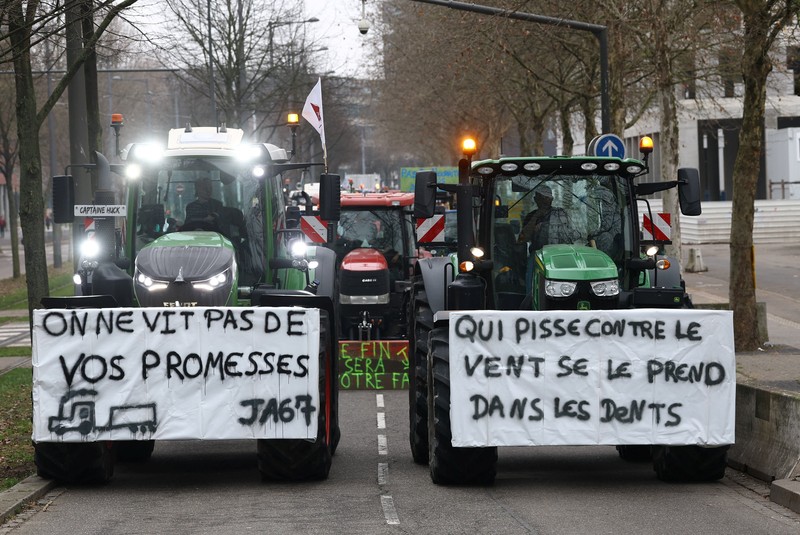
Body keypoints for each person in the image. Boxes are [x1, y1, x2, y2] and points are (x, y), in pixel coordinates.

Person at [517, 185, 575, 252]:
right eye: (541, 197)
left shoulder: (560, 214)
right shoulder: (531, 216)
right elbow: (522, 240)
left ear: (552, 199)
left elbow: (569, 237)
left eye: (547, 198)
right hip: (537, 256)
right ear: (535, 199)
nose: (544, 201)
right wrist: (535, 218)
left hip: (559, 253)